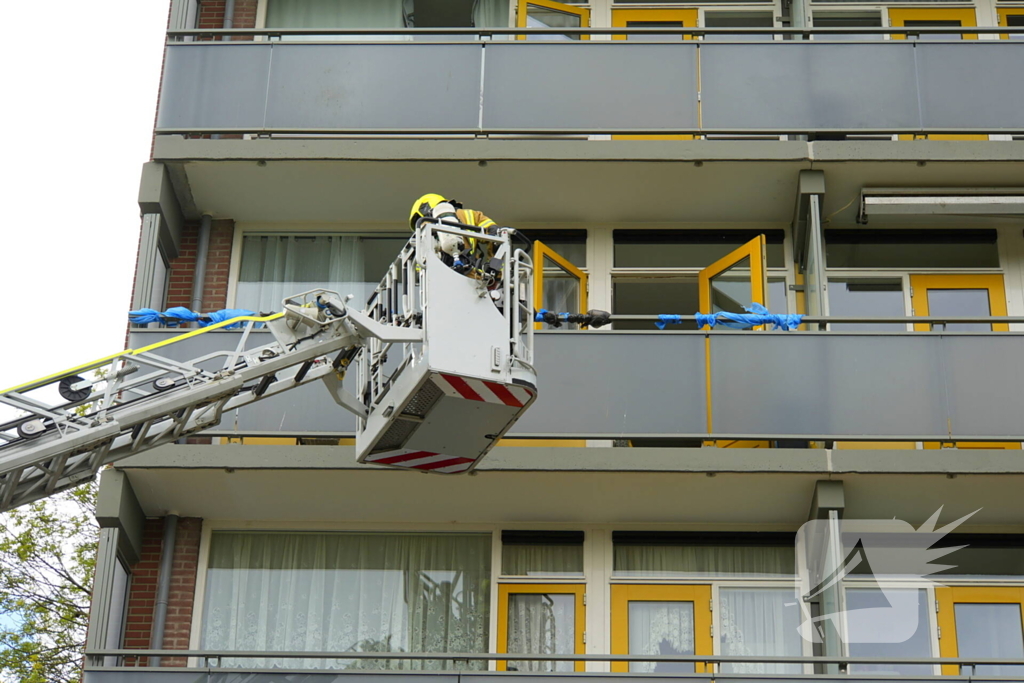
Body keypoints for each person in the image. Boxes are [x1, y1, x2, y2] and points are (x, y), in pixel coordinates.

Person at [408, 193, 501, 282]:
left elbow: (420, 268)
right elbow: (495, 234)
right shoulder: (470, 214)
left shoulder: (426, 227)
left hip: (444, 279)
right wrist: (494, 269)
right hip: (474, 277)